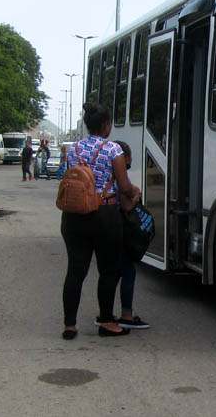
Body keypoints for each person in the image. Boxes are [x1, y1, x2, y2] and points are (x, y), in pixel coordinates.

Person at [60, 102, 140, 340]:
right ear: (106, 124)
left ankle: (70, 325)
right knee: (108, 271)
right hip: (104, 215)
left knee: (75, 271)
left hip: (74, 215)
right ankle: (106, 322)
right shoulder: (113, 150)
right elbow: (123, 186)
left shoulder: (73, 149)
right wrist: (133, 192)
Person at [106, 140, 150, 330]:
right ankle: (126, 315)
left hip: (102, 226)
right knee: (128, 271)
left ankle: (105, 314)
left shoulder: (104, 173)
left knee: (112, 272)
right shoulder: (119, 177)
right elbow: (126, 206)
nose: (131, 160)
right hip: (117, 229)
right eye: (129, 156)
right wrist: (137, 195)